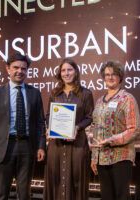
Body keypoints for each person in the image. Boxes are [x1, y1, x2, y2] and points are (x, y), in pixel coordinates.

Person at [0, 52, 46, 200]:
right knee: (0, 194)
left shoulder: (34, 93)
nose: (20, 71)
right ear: (7, 69)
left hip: (27, 147)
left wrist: (41, 146)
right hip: (4, 148)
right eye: (16, 67)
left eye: (23, 68)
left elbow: (40, 123)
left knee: (24, 194)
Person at [43, 58, 94, 200]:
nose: (66, 73)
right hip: (56, 145)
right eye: (63, 70)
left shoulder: (86, 93)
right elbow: (48, 115)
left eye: (69, 69)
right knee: (55, 179)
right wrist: (50, 127)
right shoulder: (54, 93)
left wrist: (77, 127)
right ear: (60, 73)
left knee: (77, 180)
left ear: (76, 72)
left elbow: (90, 117)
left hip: (77, 143)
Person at [90, 60, 140, 200]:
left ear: (120, 77)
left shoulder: (127, 98)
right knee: (106, 196)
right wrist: (94, 158)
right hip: (101, 158)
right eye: (107, 75)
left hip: (121, 157)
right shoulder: (100, 101)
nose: (110, 77)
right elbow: (96, 129)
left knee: (121, 196)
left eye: (114, 74)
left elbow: (134, 129)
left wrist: (112, 140)